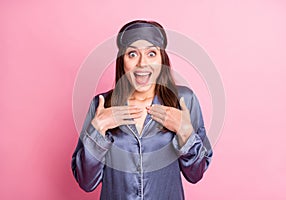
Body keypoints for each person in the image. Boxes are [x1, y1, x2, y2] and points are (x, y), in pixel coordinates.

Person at [71, 20, 213, 200]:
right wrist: (98, 130)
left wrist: (185, 132)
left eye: (151, 53)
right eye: (132, 54)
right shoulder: (102, 105)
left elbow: (196, 174)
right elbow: (86, 182)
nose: (142, 64)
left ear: (162, 60)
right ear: (122, 61)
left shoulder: (184, 101)